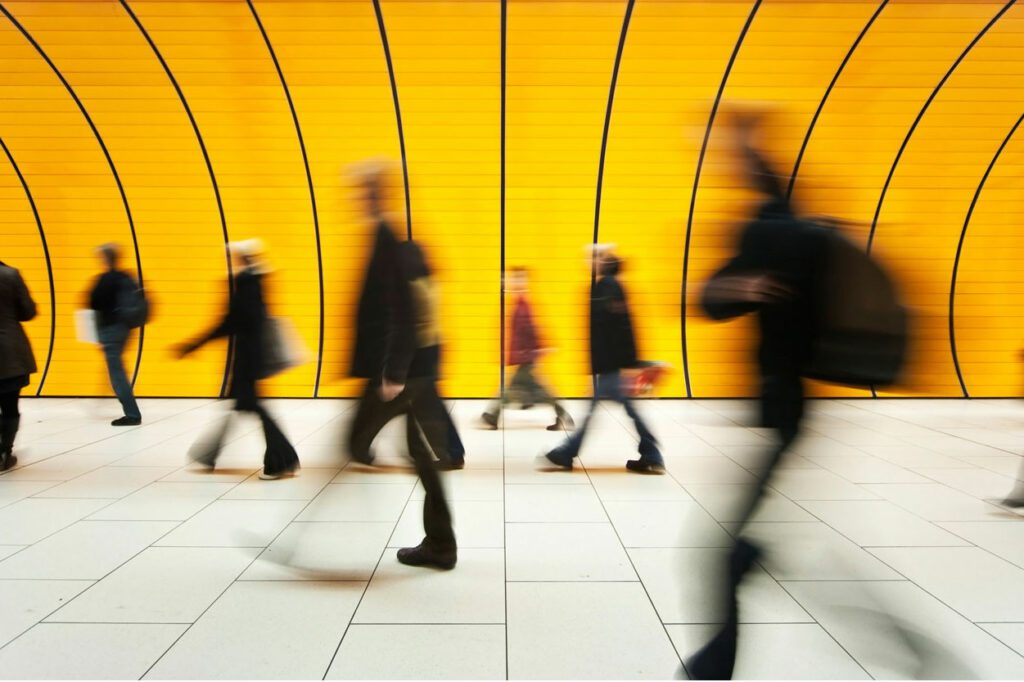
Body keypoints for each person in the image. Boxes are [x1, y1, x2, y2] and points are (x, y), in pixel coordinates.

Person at [688, 115, 828, 680]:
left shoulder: (766, 234)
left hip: (780, 403)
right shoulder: (808, 231)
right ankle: (747, 570)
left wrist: (735, 286)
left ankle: (714, 667)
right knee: (733, 546)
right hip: (794, 404)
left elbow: (707, 301)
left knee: (721, 553)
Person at [346, 162, 457, 569]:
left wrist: (393, 372)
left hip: (404, 371)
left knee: (359, 443)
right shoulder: (395, 241)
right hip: (411, 368)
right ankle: (440, 544)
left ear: (374, 193)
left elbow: (406, 314)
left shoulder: (391, 242)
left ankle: (441, 545)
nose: (354, 198)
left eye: (361, 191)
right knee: (419, 453)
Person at [175, 240, 299, 480]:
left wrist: (194, 344)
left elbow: (232, 321)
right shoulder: (257, 279)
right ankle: (207, 455)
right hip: (251, 357)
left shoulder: (245, 282)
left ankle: (282, 460)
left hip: (247, 359)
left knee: (253, 407)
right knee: (240, 405)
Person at [543, 248, 664, 473]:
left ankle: (567, 453)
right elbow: (622, 326)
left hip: (611, 365)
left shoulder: (606, 287)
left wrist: (621, 366)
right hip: (612, 364)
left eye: (592, 257)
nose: (588, 261)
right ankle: (651, 454)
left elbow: (614, 329)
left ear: (602, 261)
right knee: (623, 410)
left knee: (594, 412)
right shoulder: (610, 285)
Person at [482, 266, 573, 431]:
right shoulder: (519, 302)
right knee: (537, 389)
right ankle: (562, 415)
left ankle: (493, 416)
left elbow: (531, 331)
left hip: (526, 356)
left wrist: (538, 349)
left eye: (518, 278)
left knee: (513, 389)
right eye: (513, 279)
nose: (513, 282)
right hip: (525, 356)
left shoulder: (523, 304)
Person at [88, 243, 142, 425]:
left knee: (117, 373)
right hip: (125, 330)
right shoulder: (127, 277)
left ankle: (132, 414)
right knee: (116, 368)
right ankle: (125, 405)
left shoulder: (104, 280)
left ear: (105, 258)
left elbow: (93, 304)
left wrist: (98, 334)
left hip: (110, 330)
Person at [0, 261, 37, 472]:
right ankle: (5, 452)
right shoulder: (10, 274)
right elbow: (28, 311)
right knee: (9, 404)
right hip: (9, 350)